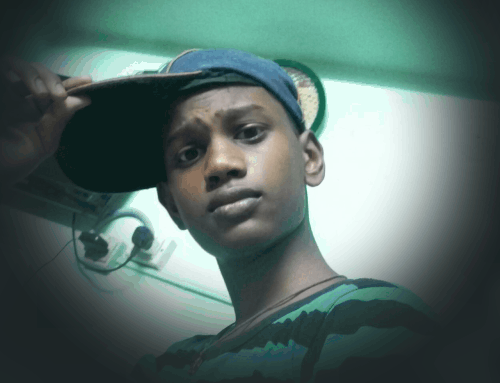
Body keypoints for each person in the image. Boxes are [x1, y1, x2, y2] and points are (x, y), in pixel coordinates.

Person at [0, 49, 440, 382]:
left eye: (249, 132)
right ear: (172, 204)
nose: (220, 164)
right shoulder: (166, 365)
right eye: (188, 153)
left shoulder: (370, 320)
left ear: (309, 157)